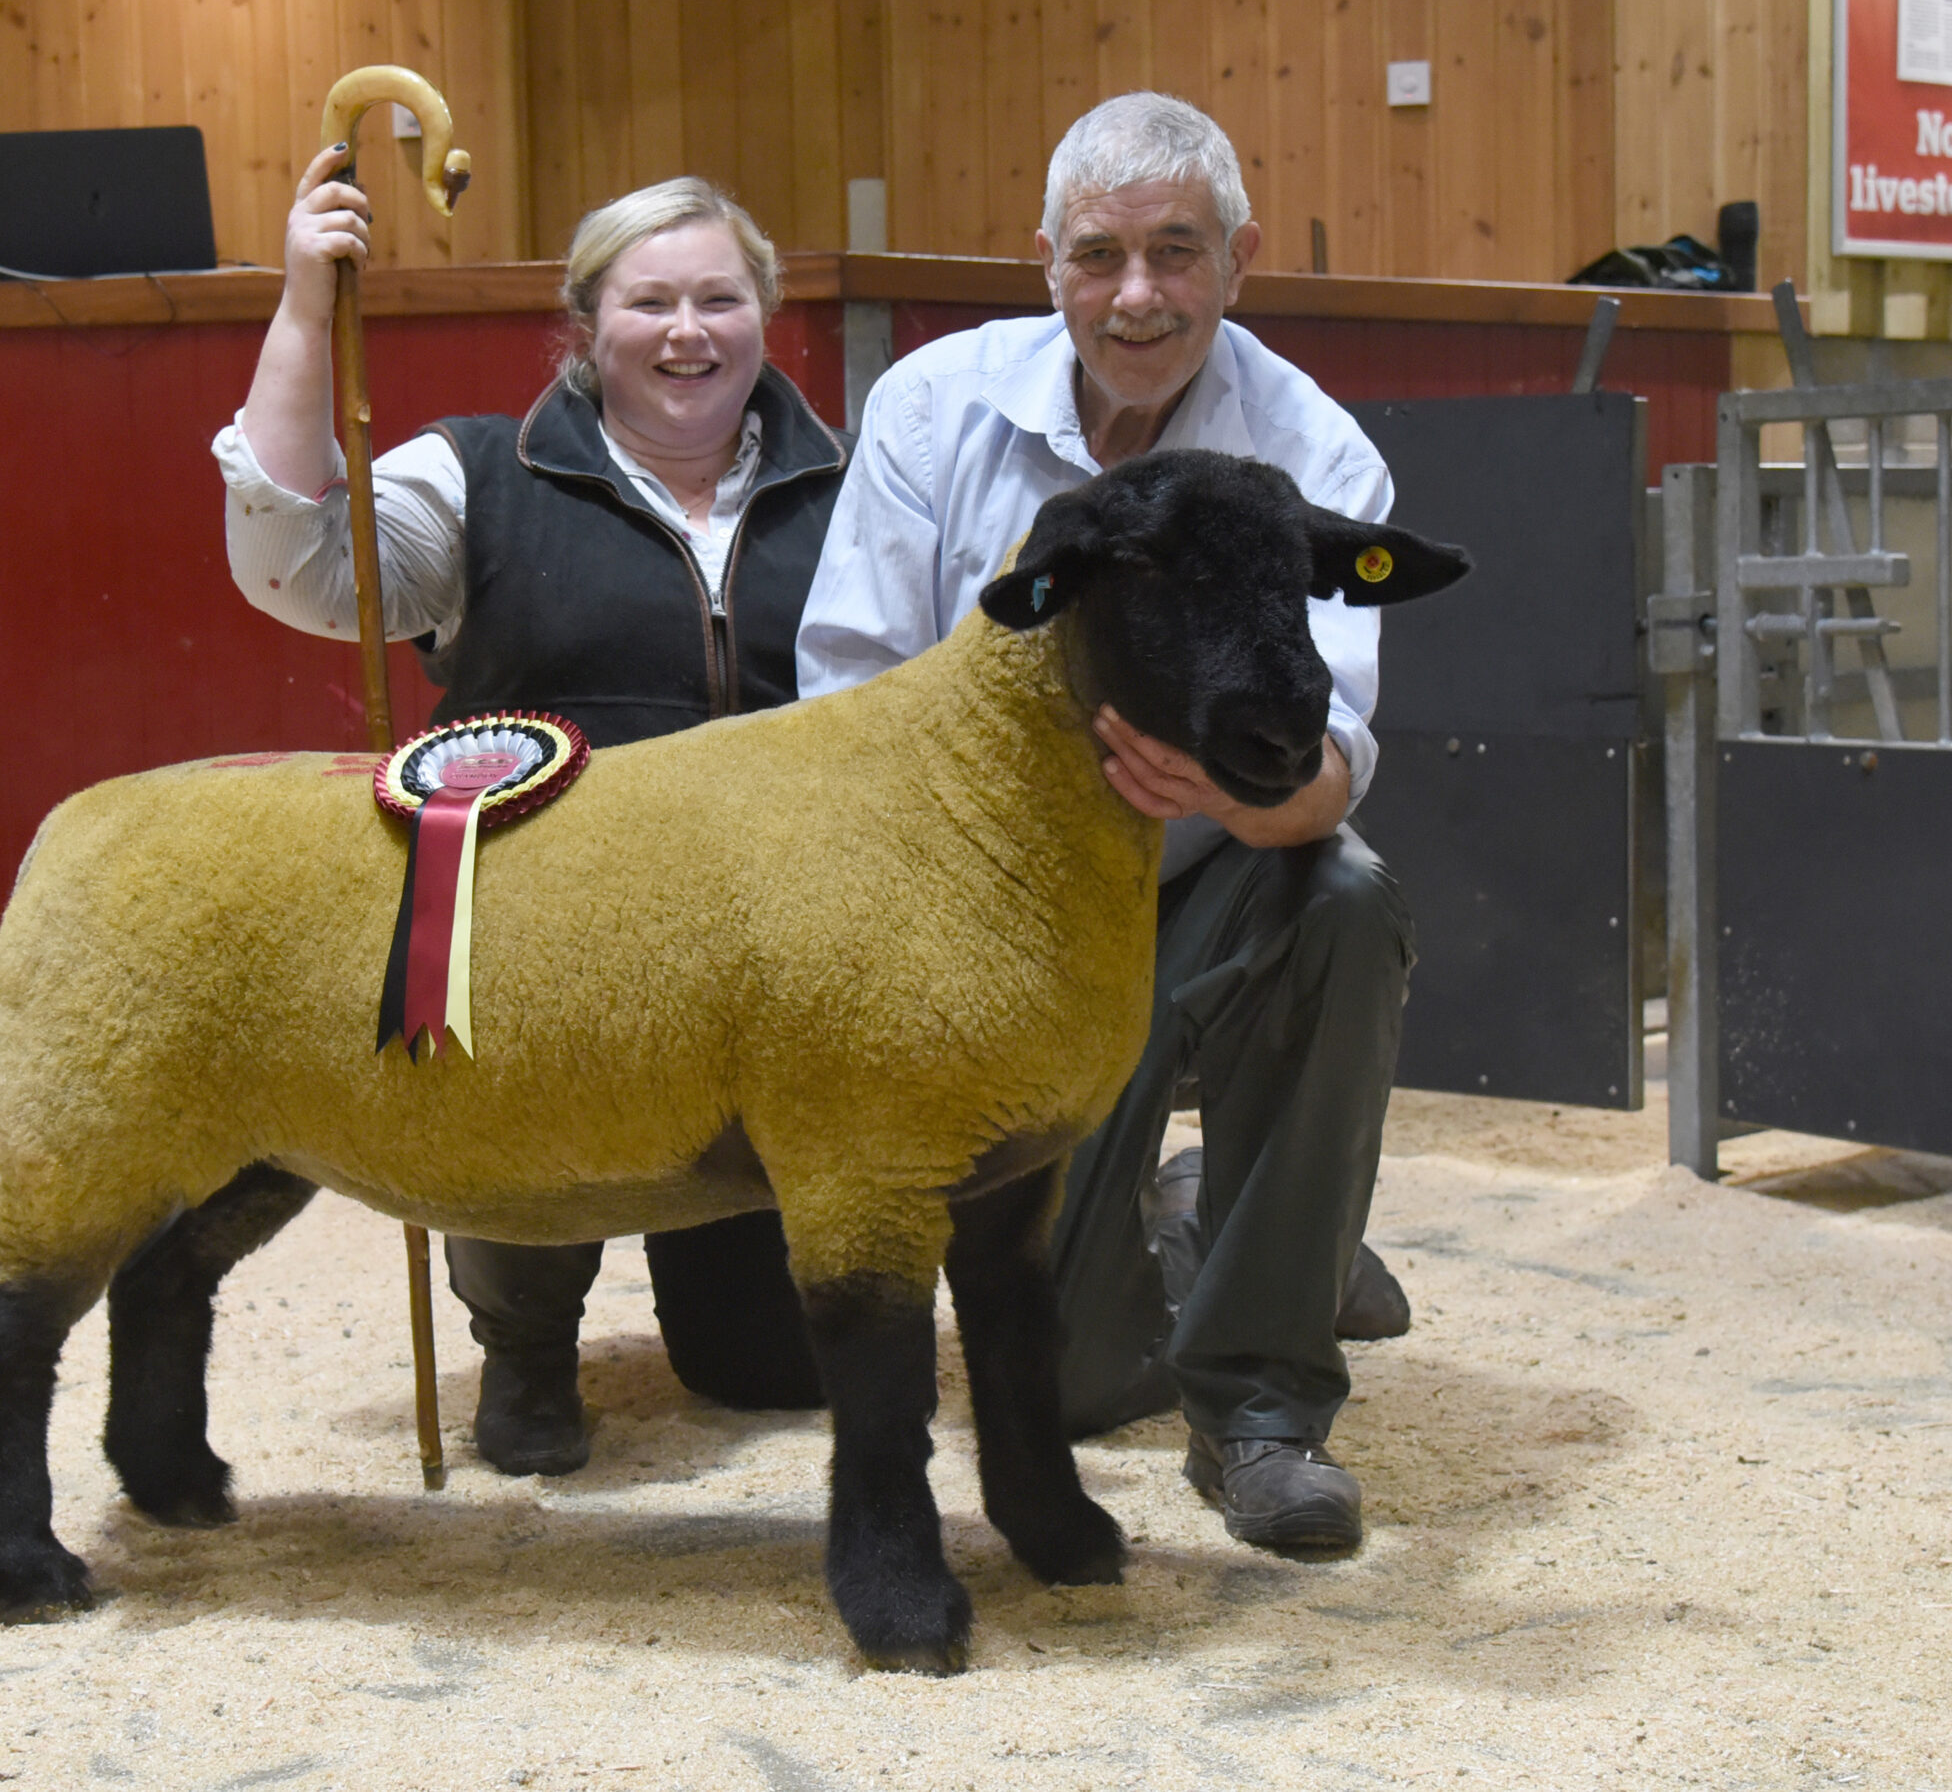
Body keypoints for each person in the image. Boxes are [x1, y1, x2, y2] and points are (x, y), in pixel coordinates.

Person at [798, 91, 1415, 1555]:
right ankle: (1210, 1218)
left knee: (1345, 891)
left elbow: (1334, 763)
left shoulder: (1315, 452)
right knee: (1063, 1387)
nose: (1137, 296)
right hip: (990, 928)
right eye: (1099, 256)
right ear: (1047, 262)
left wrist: (1236, 790)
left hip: (1201, 888)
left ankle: (1261, 1405)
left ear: (1240, 257)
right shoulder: (934, 407)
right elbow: (847, 707)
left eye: (1177, 252)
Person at [212, 150, 846, 1477]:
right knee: (518, 1127)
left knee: (764, 1374)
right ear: (585, 325)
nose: (687, 333)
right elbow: (293, 563)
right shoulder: (474, 475)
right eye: (648, 302)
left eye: (720, 301)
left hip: (767, 951)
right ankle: (526, 1340)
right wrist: (300, 307)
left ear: (767, 314)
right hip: (537, 940)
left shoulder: (855, 486)